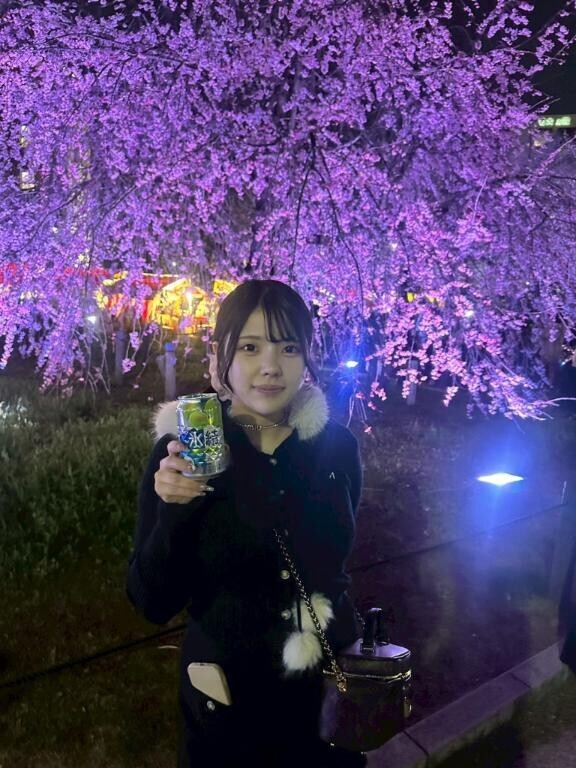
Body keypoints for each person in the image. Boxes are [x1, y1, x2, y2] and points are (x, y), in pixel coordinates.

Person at [126, 279, 366, 767]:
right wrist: (175, 509)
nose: (271, 366)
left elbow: (336, 565)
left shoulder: (336, 447)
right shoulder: (184, 453)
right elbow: (151, 601)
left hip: (325, 703)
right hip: (225, 710)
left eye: (288, 347)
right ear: (220, 355)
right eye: (250, 347)